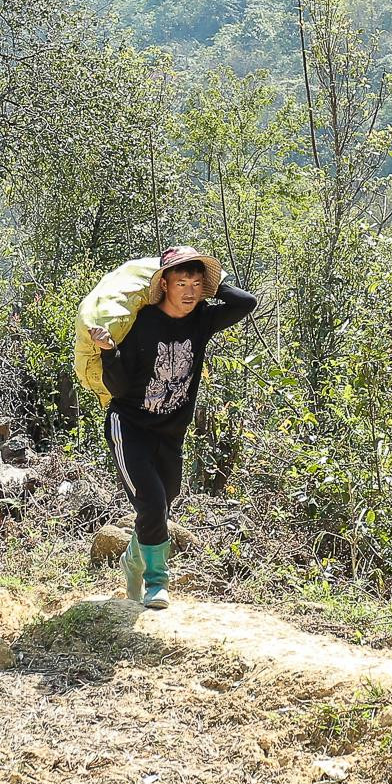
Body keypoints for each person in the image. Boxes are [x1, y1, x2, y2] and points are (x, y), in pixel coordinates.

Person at [86, 246, 256, 609]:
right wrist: (108, 351)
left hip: (170, 432)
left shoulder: (202, 319)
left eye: (197, 283)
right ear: (164, 285)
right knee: (151, 501)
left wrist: (215, 282)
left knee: (166, 499)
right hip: (129, 427)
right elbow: (118, 387)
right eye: (182, 283)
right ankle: (157, 583)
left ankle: (133, 559)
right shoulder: (142, 322)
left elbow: (246, 303)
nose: (190, 291)